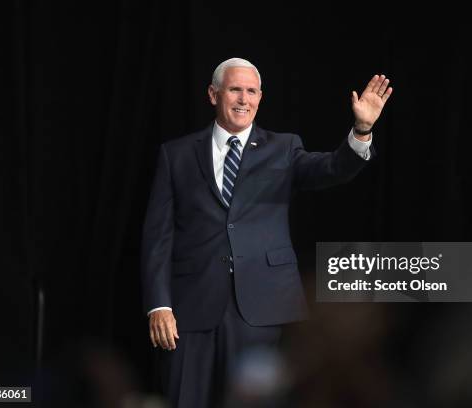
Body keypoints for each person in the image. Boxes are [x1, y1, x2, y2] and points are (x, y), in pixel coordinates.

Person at [141, 57, 392, 407]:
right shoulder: (177, 155)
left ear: (260, 98)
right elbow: (157, 237)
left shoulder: (284, 148)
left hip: (264, 311)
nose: (244, 99)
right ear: (214, 95)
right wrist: (159, 305)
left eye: (251, 91)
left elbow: (334, 168)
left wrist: (361, 131)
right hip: (191, 309)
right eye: (235, 89)